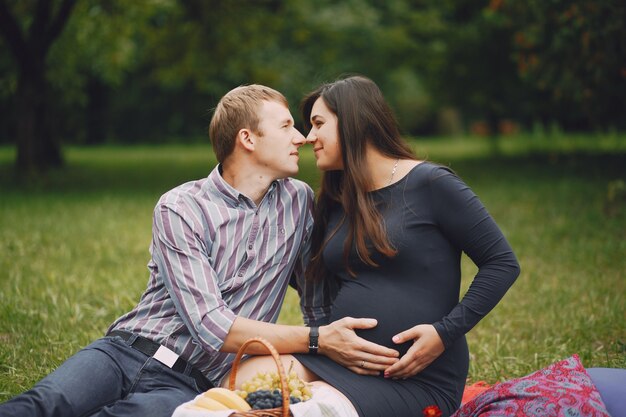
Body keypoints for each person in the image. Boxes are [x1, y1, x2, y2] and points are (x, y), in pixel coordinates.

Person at [0, 84, 399, 417]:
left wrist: (345, 351)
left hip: (191, 384)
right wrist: (317, 339)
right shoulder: (181, 206)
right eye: (286, 126)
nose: (301, 137)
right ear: (247, 138)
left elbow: (314, 294)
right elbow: (211, 325)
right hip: (123, 352)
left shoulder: (296, 202)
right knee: (44, 404)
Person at [231, 76, 520, 417]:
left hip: (414, 376)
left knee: (307, 404)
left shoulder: (431, 184)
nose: (309, 138)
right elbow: (312, 278)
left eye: (319, 124)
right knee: (238, 382)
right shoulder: (337, 199)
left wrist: (444, 333)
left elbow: (502, 263)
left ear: (353, 122)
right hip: (340, 360)